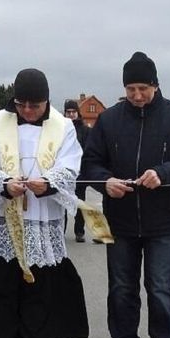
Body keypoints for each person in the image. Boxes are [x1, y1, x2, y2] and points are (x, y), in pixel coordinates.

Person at [81, 51, 170, 338]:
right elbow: (90, 163)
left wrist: (163, 173)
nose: (136, 95)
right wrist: (104, 181)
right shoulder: (109, 120)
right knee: (121, 288)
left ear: (155, 85)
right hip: (119, 221)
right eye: (130, 89)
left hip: (164, 222)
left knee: (160, 288)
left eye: (143, 89)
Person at [0, 68, 88, 338]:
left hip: (42, 216)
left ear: (46, 102)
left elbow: (70, 164)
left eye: (34, 105)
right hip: (6, 217)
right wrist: (3, 183)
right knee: (3, 286)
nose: (27, 111)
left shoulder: (63, 126)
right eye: (21, 104)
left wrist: (49, 182)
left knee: (37, 287)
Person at [63, 99, 92, 243]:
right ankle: (60, 232)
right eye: (68, 112)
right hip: (63, 173)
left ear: (77, 113)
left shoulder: (85, 130)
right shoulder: (60, 129)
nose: (71, 114)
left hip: (80, 173)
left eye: (73, 112)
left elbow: (88, 150)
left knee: (79, 204)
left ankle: (79, 232)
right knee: (62, 204)